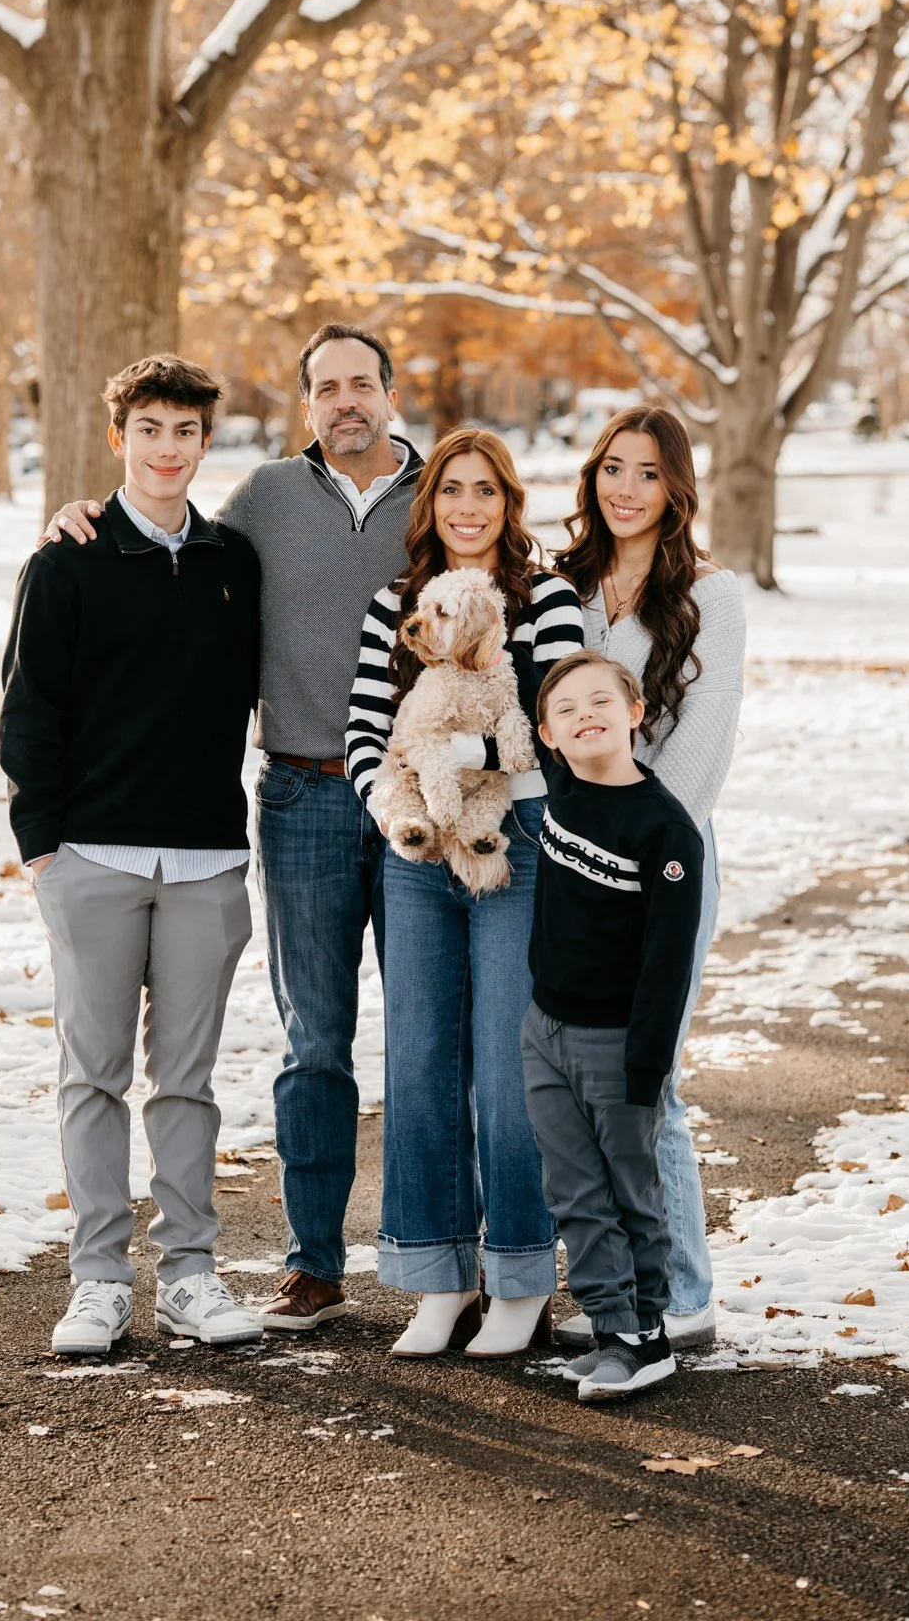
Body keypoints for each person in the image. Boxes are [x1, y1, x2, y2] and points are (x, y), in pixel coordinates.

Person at [39, 325, 422, 1331]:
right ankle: (258, 1266)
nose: (345, 400)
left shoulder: (431, 505)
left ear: (389, 392)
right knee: (302, 1045)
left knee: (420, 1043)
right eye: (325, 387)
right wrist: (44, 845)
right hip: (286, 799)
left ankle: (434, 1263)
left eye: (361, 383)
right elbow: (35, 699)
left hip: (387, 808)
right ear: (304, 405)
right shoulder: (247, 513)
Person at [0, 355, 264, 1354]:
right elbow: (29, 714)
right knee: (93, 1074)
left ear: (204, 442)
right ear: (119, 437)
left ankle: (189, 1273)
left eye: (184, 431)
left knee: (188, 1080)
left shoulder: (235, 562)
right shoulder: (64, 561)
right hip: (92, 860)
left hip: (204, 862)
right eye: (148, 428)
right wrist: (44, 854)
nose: (166, 447)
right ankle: (100, 1277)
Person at [346, 428, 585, 1357]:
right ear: (429, 503)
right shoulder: (391, 608)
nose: (468, 508)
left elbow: (560, 735)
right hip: (414, 849)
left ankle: (520, 1275)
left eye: (485, 490)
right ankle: (435, 1278)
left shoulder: (545, 601)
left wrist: (465, 757)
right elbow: (368, 732)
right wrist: (397, 806)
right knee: (417, 1063)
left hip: (515, 846)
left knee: (506, 1068)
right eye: (451, 491)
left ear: (508, 502)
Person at [552, 407, 745, 1353]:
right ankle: (616, 1296)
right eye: (611, 469)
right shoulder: (563, 588)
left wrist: (622, 862)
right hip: (567, 870)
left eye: (647, 474)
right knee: (582, 1092)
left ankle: (685, 1296)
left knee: (646, 1085)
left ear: (676, 489)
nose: (624, 489)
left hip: (659, 871)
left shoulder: (713, 596)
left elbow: (696, 765)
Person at [521, 650, 703, 1402]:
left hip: (615, 1045)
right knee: (573, 1192)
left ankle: (648, 1336)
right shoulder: (562, 786)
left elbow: (667, 969)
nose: (583, 715)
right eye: (564, 709)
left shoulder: (665, 833)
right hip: (544, 1032)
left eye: (601, 700)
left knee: (631, 1192)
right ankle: (608, 1327)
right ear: (547, 735)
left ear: (636, 714)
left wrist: (645, 1068)